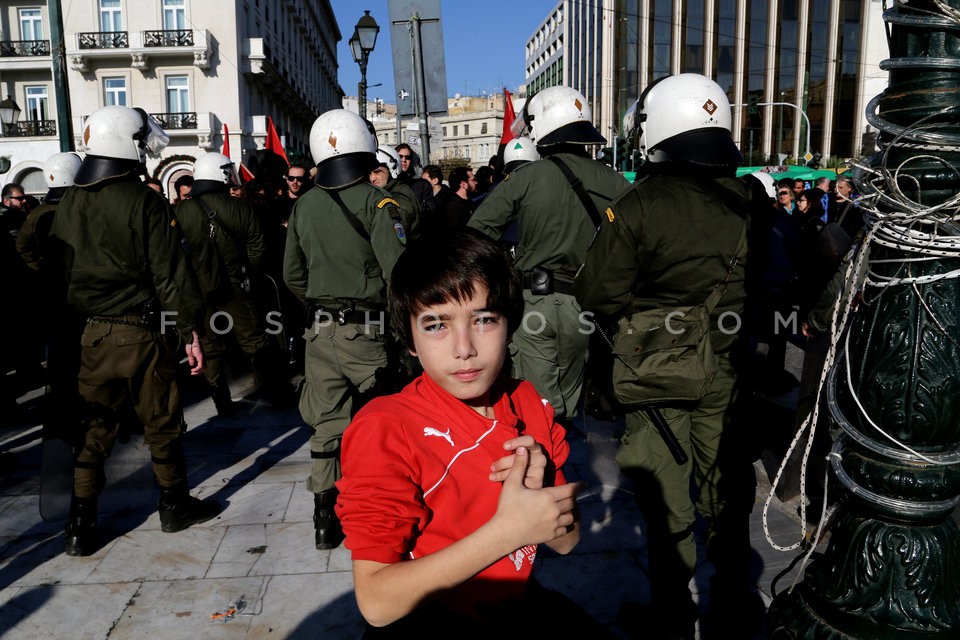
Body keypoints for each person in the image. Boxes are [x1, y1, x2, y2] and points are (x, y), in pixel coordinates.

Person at [574, 73, 763, 638]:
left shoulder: (639, 204)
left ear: (656, 128)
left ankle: (674, 617)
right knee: (726, 492)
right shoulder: (755, 199)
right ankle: (734, 606)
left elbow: (597, 293)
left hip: (658, 370)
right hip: (728, 369)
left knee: (665, 494)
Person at [336, 227, 582, 637]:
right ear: (409, 338)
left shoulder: (527, 402)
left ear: (509, 322)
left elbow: (567, 542)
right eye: (436, 324)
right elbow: (376, 602)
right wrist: (510, 531)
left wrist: (542, 496)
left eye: (484, 319)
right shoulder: (387, 426)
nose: (463, 347)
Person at [49, 105, 220, 556]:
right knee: (161, 421)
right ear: (126, 143)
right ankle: (174, 506)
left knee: (94, 429)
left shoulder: (70, 200)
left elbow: (60, 271)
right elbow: (170, 274)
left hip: (91, 336)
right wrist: (189, 332)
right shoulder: (143, 200)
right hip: (140, 334)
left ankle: (79, 524)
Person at [284, 108, 407, 550]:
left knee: (327, 424)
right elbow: (399, 276)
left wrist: (323, 302)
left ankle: (323, 515)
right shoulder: (378, 204)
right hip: (369, 333)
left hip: (319, 333)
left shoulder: (303, 206)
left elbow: (292, 274)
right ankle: (381, 507)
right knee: (384, 421)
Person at [469, 85, 629, 424]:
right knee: (569, 403)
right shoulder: (616, 182)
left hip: (534, 302)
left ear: (541, 126)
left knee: (535, 406)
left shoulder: (528, 177)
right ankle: (568, 459)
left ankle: (547, 469)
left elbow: (477, 231)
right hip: (585, 304)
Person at [175, 151, 290, 416]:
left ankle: (221, 402)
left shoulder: (181, 211)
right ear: (222, 174)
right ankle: (274, 392)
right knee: (256, 340)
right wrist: (247, 273)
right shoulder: (241, 207)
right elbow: (258, 248)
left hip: (197, 290)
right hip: (237, 286)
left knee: (209, 345)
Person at [371, 145, 420, 241]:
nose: (372, 178)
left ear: (392, 170)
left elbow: (390, 238)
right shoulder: (384, 192)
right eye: (370, 173)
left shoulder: (400, 198)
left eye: (378, 172)